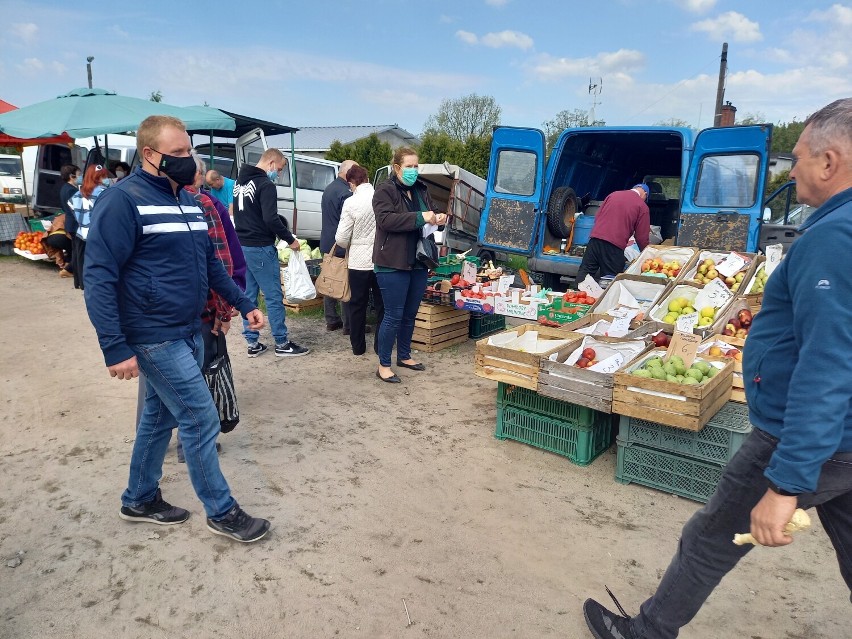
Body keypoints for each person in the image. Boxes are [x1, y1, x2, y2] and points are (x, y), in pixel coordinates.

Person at [583, 98, 852, 638]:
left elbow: (830, 365)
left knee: (710, 537)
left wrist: (787, 482)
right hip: (843, 440)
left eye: (798, 157)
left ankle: (649, 631)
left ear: (830, 162)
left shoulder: (835, 239)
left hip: (802, 438)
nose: (791, 167)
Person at [84, 114, 271, 543]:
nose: (190, 160)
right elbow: (99, 277)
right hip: (153, 335)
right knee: (199, 417)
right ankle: (222, 511)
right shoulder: (122, 201)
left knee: (158, 417)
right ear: (150, 155)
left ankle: (139, 498)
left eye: (190, 150)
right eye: (180, 153)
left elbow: (210, 265)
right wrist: (114, 346)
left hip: (190, 329)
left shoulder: (188, 201)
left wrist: (244, 304)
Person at [371, 147, 447, 383]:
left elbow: (430, 217)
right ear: (396, 167)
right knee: (393, 314)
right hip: (391, 262)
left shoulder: (421, 189)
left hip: (418, 260)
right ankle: (384, 364)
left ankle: (404, 355)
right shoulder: (384, 191)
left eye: (416, 166)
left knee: (410, 313)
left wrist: (439, 219)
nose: (414, 171)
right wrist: (419, 217)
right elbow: (386, 220)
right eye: (409, 166)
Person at [234, 148, 309, 358]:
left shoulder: (239, 183)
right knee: (273, 296)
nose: (280, 173)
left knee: (248, 296)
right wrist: (290, 239)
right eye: (281, 168)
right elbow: (271, 218)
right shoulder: (265, 185)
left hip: (242, 246)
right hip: (260, 246)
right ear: (272, 163)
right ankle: (282, 342)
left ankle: (252, 342)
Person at [335, 164, 383, 357]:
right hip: (381, 259)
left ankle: (358, 347)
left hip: (358, 262)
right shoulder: (381, 198)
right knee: (382, 306)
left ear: (351, 182)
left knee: (357, 305)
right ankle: (381, 345)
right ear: (368, 178)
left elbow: (341, 238)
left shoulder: (351, 203)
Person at [575, 183, 650, 285]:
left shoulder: (613, 195)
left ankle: (574, 296)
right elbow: (642, 237)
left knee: (585, 273)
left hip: (595, 241)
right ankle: (605, 300)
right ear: (644, 194)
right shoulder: (642, 206)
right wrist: (646, 253)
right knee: (610, 281)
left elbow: (598, 216)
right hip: (614, 246)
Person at [321, 159, 358, 332]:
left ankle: (331, 319)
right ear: (347, 172)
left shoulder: (329, 188)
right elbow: (349, 222)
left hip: (327, 242)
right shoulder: (346, 193)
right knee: (345, 282)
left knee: (329, 279)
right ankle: (349, 325)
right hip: (341, 243)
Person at [69, 164, 111, 290]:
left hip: (81, 231)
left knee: (80, 257)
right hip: (96, 232)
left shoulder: (79, 192)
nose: (105, 179)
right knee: (95, 260)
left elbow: (71, 206)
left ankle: (80, 282)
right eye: (102, 176)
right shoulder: (104, 193)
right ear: (96, 177)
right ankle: (92, 284)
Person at [41, 212, 73, 277]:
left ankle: (65, 267)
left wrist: (59, 259)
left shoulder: (59, 217)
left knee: (71, 251)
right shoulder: (70, 215)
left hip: (50, 239)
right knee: (78, 252)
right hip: (62, 237)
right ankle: (67, 270)